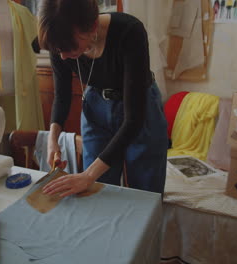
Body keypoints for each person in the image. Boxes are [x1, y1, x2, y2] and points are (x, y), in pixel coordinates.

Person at [38, 0, 168, 197]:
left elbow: (134, 120)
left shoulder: (130, 31)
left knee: (144, 192)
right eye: (58, 51)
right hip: (95, 104)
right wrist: (52, 140)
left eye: (69, 48)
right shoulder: (59, 38)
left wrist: (87, 175)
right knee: (97, 190)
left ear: (92, 27)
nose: (63, 57)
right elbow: (62, 95)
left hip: (140, 106)